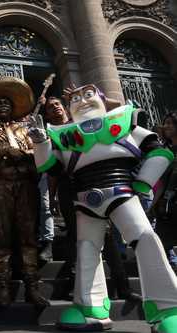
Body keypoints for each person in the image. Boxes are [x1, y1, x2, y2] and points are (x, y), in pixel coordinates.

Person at [29, 84, 177, 332]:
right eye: (75, 98)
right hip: (85, 200)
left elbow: (158, 150)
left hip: (122, 192)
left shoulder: (123, 122)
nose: (82, 101)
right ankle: (90, 308)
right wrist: (41, 143)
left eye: (88, 95)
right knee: (86, 250)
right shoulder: (64, 135)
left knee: (146, 239)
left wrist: (143, 183)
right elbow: (52, 169)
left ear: (102, 99)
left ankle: (168, 307)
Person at [0, 76, 49, 308]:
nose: (3, 105)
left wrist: (24, 154)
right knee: (1, 236)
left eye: (7, 102)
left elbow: (38, 149)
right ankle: (3, 287)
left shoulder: (25, 128)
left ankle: (32, 287)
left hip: (25, 183)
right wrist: (3, 151)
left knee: (28, 236)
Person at [154, 112, 177, 272]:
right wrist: (154, 204)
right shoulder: (165, 150)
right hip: (166, 205)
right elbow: (161, 181)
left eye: (170, 123)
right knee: (160, 243)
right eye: (165, 123)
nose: (167, 126)